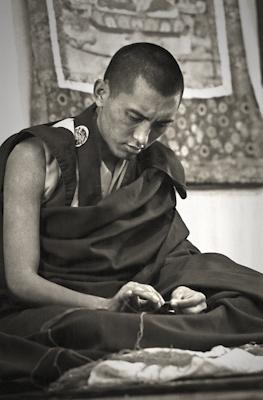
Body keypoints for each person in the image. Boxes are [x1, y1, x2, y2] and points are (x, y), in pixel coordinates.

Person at [0, 42, 263, 385]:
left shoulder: (152, 167)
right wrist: (106, 305)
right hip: (58, 308)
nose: (142, 138)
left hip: (137, 305)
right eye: (134, 117)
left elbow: (165, 255)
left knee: (247, 295)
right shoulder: (35, 157)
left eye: (160, 125)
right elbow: (21, 282)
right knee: (93, 328)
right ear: (101, 92)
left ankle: (155, 331)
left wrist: (186, 291)